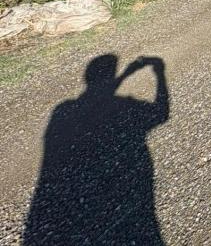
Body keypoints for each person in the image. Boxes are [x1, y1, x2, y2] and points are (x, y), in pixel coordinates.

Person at [24, 54, 169, 245]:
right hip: (129, 193)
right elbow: (160, 114)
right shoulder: (70, 109)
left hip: (57, 208)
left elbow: (100, 96)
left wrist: (125, 75)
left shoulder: (63, 110)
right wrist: (159, 73)